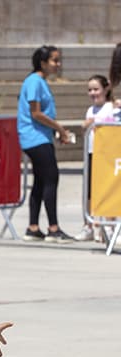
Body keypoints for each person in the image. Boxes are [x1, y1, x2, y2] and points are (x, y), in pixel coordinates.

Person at [18, 45, 73, 243]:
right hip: (35, 137)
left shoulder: (40, 82)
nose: (58, 65)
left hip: (40, 136)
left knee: (41, 181)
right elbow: (36, 113)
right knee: (51, 177)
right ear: (43, 63)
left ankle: (33, 227)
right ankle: (53, 227)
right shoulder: (34, 81)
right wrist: (59, 128)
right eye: (54, 60)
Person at [78, 74, 117, 241]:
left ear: (106, 89)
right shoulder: (90, 110)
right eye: (90, 90)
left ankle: (109, 226)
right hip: (91, 153)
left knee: (107, 190)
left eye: (96, 89)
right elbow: (85, 127)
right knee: (89, 192)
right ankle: (89, 226)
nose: (93, 93)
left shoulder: (112, 108)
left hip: (107, 156)